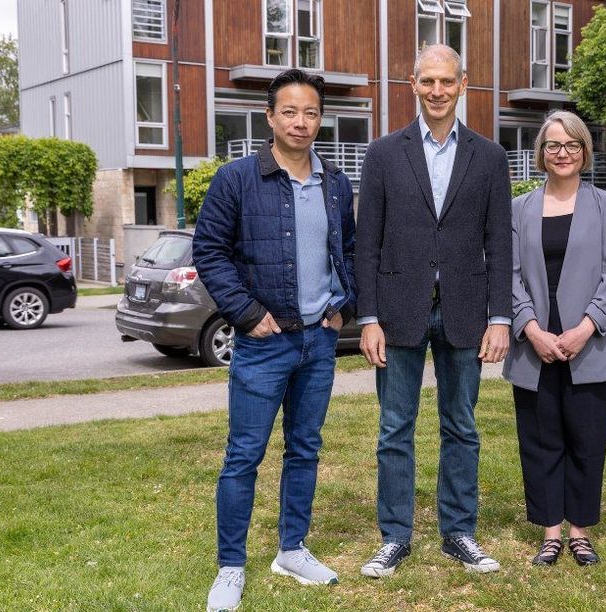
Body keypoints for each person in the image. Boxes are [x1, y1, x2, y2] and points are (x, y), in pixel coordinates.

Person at [192, 69, 356, 610]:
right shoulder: (237, 179)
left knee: (305, 449)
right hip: (264, 342)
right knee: (244, 455)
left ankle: (292, 549)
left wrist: (342, 305)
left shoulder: (334, 183)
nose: (301, 122)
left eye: (310, 112)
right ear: (270, 117)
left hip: (319, 343)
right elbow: (210, 251)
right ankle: (230, 567)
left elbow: (348, 251)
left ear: (320, 118)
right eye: (290, 111)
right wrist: (246, 313)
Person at [355, 44, 512, 577]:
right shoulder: (382, 154)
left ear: (463, 84)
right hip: (397, 311)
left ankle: (459, 533)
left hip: (466, 312)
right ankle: (395, 536)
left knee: (462, 427)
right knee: (394, 428)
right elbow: (367, 242)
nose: (438, 91)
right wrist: (368, 318)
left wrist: (501, 317)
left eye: (447, 82)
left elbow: (499, 242)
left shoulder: (489, 156)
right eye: (428, 82)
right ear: (413, 84)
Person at [503, 111, 606, 567]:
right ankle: (551, 531)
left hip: (588, 345)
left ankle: (579, 531)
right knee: (541, 438)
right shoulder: (519, 208)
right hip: (535, 347)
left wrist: (585, 327)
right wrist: (531, 329)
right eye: (553, 145)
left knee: (586, 439)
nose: (562, 153)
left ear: (584, 152)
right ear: (541, 154)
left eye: (571, 145)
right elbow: (509, 276)